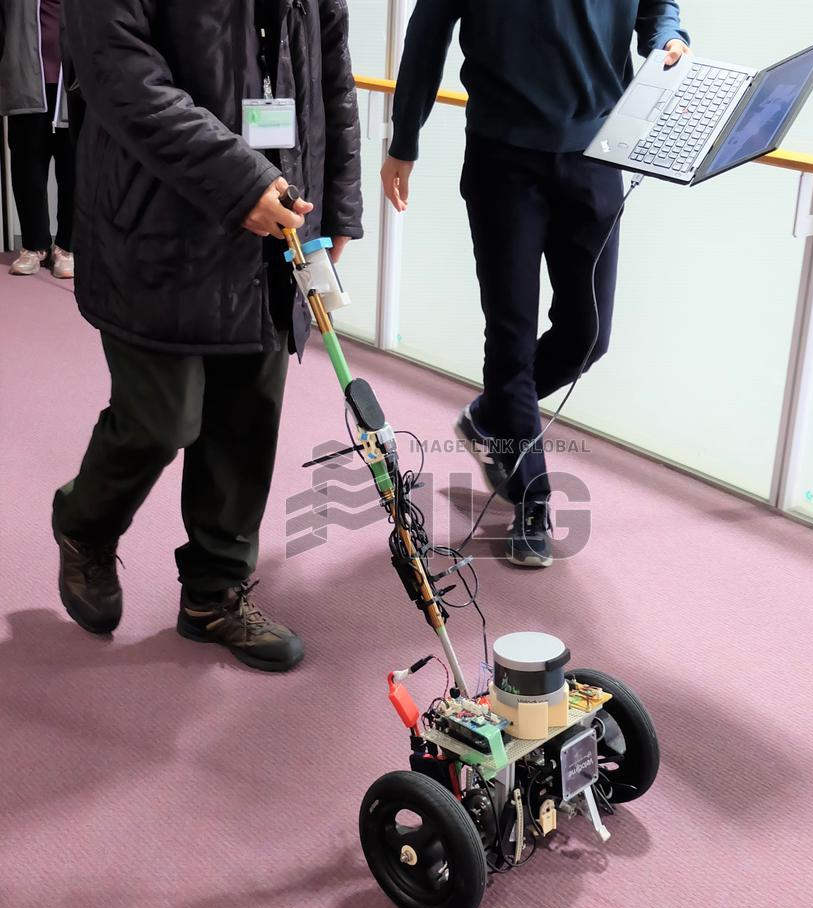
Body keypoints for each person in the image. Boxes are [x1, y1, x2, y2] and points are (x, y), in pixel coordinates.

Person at [52, 0, 363, 672]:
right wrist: (239, 180)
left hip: (275, 219)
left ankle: (213, 594)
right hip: (154, 226)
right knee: (161, 418)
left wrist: (340, 199)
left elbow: (331, 68)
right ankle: (85, 525)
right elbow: (121, 77)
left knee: (250, 413)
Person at [382, 1, 690, 568]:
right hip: (505, 158)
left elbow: (658, 7)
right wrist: (405, 139)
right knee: (511, 338)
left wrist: (667, 38)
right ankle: (533, 499)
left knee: (588, 336)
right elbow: (428, 31)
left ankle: (492, 416)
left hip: (599, 151)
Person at [0, 0, 75, 278]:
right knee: (27, 170)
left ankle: (68, 247)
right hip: (26, 84)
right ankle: (34, 246)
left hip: (75, 90)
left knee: (74, 172)